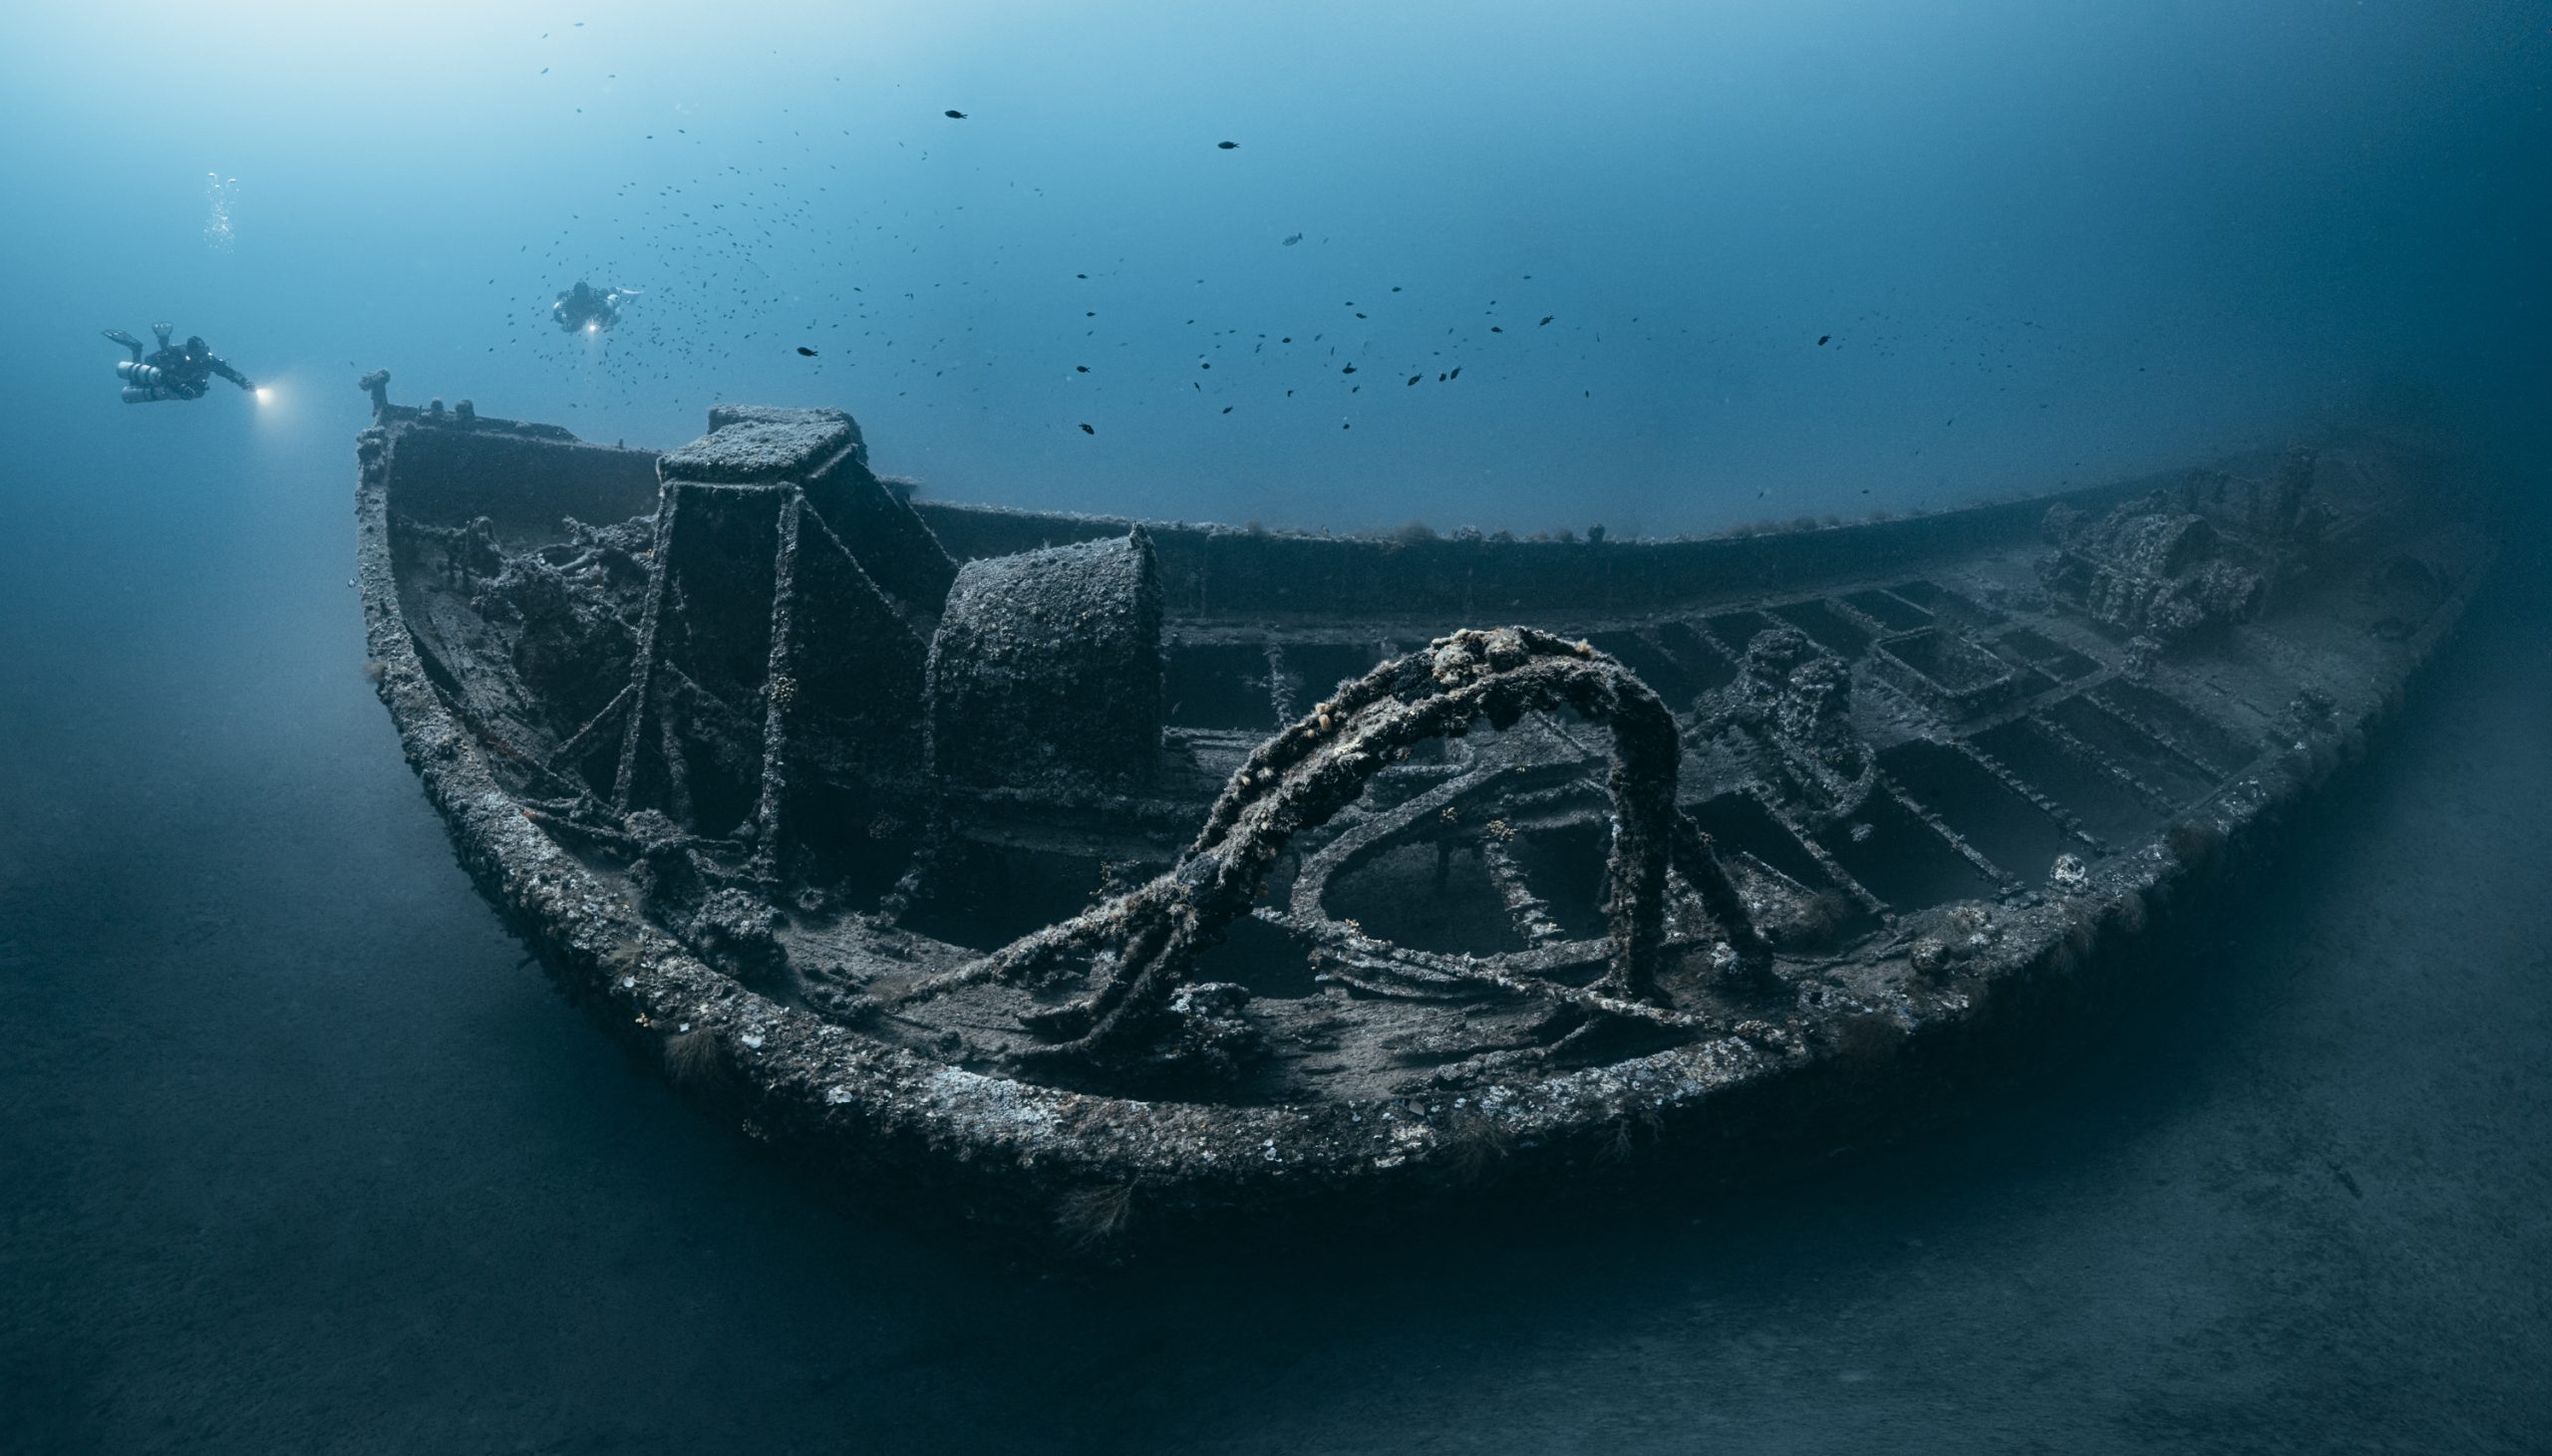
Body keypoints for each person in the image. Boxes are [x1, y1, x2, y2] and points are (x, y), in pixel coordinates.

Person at [104, 323, 255, 404]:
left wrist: (244, 382)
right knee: (136, 382)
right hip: (160, 369)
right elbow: (166, 374)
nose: (202, 356)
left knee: (198, 392)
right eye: (198, 353)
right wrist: (181, 388)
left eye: (205, 351)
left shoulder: (208, 360)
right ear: (190, 352)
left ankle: (150, 344)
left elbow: (227, 371)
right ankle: (136, 348)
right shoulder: (177, 356)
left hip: (182, 380)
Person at [552, 281, 632, 334]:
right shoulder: (569, 301)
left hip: (596, 314)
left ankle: (615, 293)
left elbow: (607, 308)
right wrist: (565, 321)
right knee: (567, 328)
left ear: (587, 294)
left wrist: (600, 323)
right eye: (579, 296)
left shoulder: (595, 298)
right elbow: (558, 316)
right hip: (580, 317)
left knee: (616, 317)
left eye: (584, 295)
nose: (582, 298)